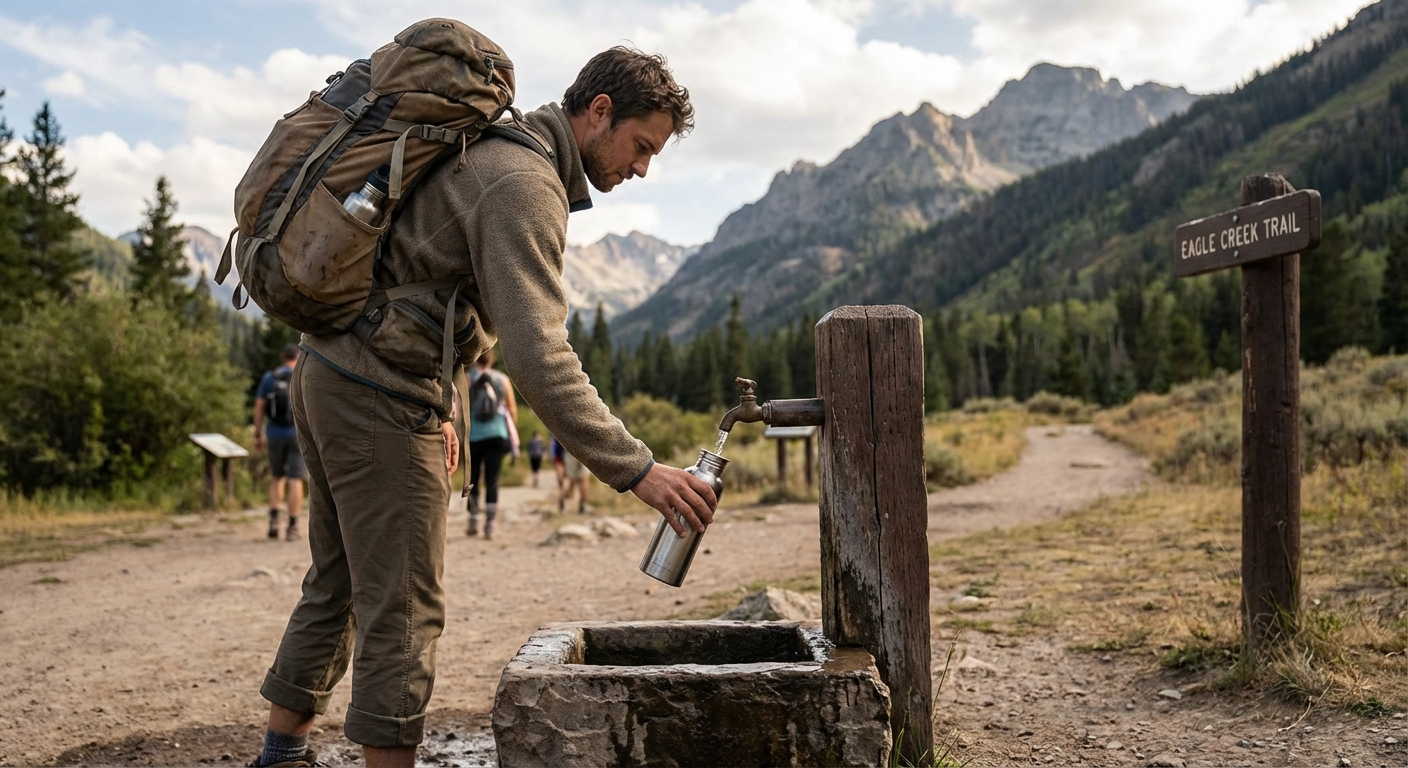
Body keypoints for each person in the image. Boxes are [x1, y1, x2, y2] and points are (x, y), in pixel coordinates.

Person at [253, 45, 715, 768]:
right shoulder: (524, 182)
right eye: (641, 145)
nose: (642, 167)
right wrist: (640, 470)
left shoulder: (493, 147)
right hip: (378, 391)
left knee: (338, 581)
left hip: (331, 371)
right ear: (599, 113)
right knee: (404, 610)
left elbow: (431, 293)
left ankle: (281, 755)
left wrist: (446, 412)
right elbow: (539, 358)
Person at [252, 344, 305, 541]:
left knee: (276, 476)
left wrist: (257, 434)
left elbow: (259, 407)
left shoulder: (270, 378)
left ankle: (273, 522)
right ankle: (292, 525)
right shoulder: (300, 375)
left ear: (283, 357)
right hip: (298, 434)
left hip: (274, 433)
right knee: (295, 479)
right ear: (297, 357)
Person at [465, 349, 516, 539]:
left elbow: (460, 409)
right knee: (492, 480)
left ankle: (474, 520)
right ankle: (490, 525)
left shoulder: (468, 378)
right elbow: (511, 410)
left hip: (474, 436)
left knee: (473, 480)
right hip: (497, 434)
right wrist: (510, 434)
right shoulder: (502, 379)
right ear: (491, 360)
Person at [560, 448, 591, 515]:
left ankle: (562, 500)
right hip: (585, 450)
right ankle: (583, 505)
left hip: (570, 450)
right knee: (584, 479)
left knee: (570, 478)